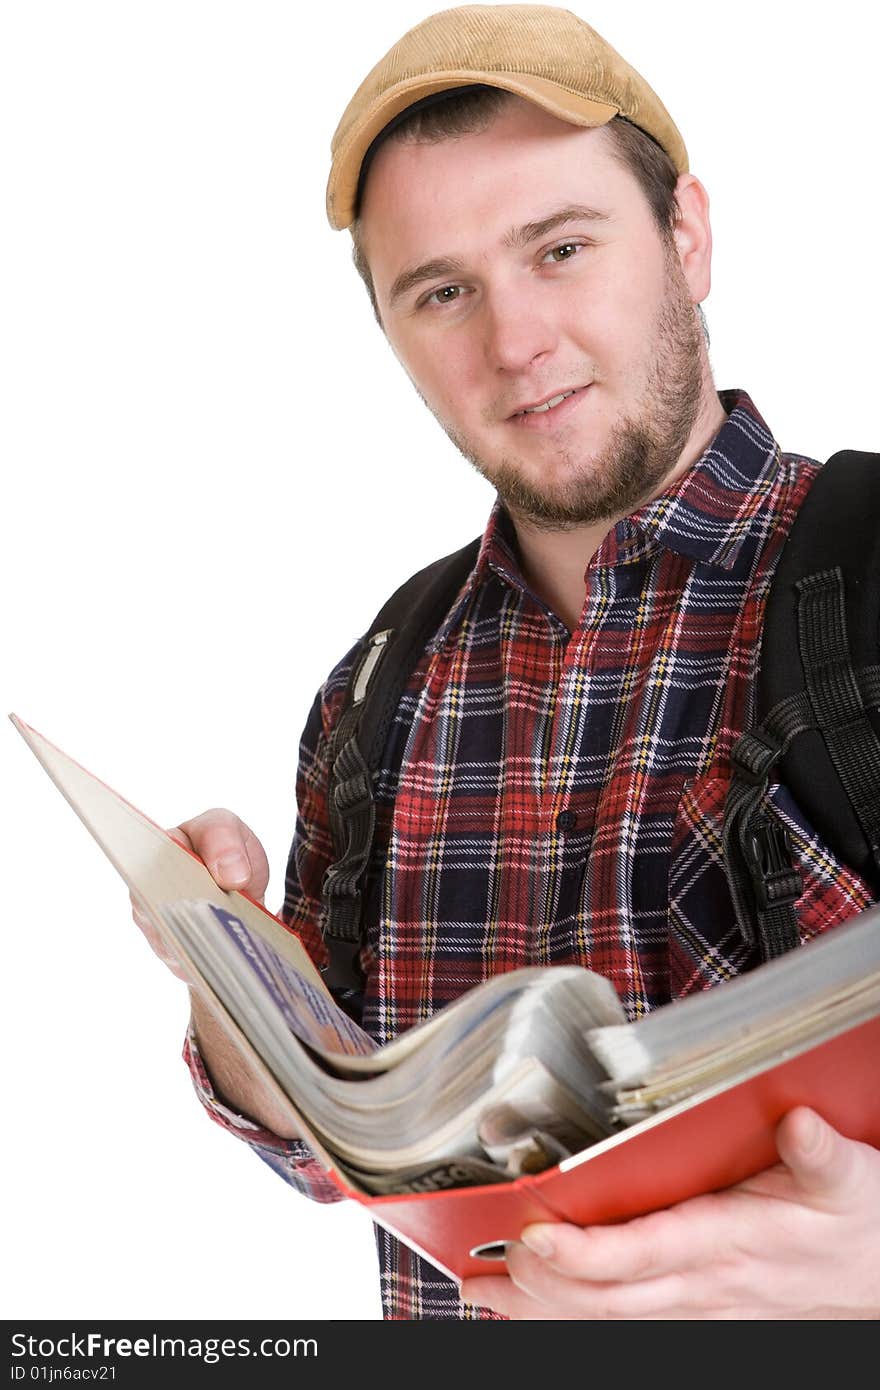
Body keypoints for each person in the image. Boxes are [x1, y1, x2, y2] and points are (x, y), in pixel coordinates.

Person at [132, 5, 880, 1319]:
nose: (515, 339)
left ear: (687, 237)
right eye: (443, 291)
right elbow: (342, 1151)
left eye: (562, 248)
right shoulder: (378, 687)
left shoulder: (869, 579)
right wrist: (243, 1007)